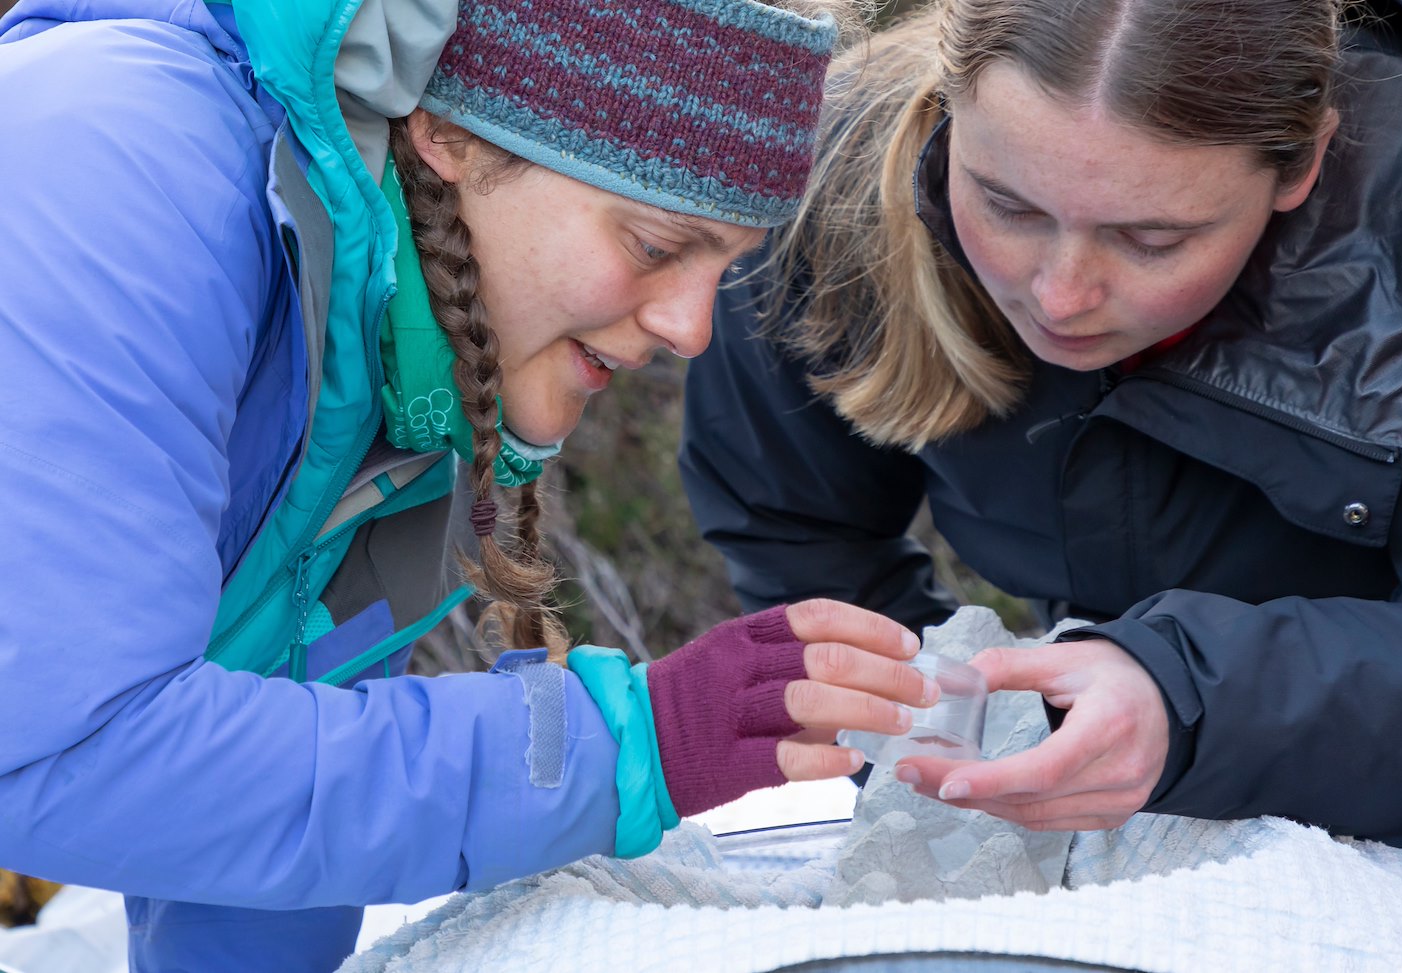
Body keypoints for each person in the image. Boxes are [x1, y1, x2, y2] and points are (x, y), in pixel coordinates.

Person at [0, 0, 940, 970]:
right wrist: (624, 745)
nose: (690, 330)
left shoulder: (404, 366)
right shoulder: (118, 167)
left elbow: (240, 845)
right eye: (655, 245)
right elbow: (53, 744)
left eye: (726, 263)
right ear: (447, 134)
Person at [680, 0, 1402, 856]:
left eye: (1152, 238)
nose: (1059, 294)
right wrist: (949, 730)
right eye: (1007, 206)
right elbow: (794, 522)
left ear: (1302, 162)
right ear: (947, 111)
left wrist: (1186, 696)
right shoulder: (839, 172)